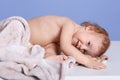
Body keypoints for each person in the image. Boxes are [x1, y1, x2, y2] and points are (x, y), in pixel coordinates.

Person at [27, 15, 110, 70]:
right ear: (89, 29)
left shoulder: (59, 40)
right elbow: (65, 46)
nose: (82, 47)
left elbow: (50, 47)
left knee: (53, 48)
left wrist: (51, 56)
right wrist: (87, 61)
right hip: (21, 30)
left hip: (26, 42)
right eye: (88, 43)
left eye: (84, 51)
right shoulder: (69, 24)